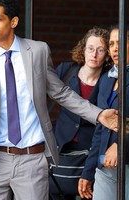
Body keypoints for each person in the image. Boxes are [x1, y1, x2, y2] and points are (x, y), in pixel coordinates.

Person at [0, 0, 118, 200]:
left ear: (13, 21)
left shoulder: (38, 51)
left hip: (31, 160)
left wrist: (98, 115)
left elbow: (61, 93)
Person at [78, 20, 129, 200]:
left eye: (121, 43)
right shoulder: (107, 77)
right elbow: (100, 127)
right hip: (104, 165)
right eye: (111, 44)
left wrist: (120, 145)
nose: (115, 49)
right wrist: (88, 170)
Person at [49, 27, 111, 200]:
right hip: (60, 147)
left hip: (90, 151)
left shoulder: (109, 80)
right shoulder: (66, 70)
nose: (94, 54)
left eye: (100, 50)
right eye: (90, 48)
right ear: (83, 49)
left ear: (106, 55)